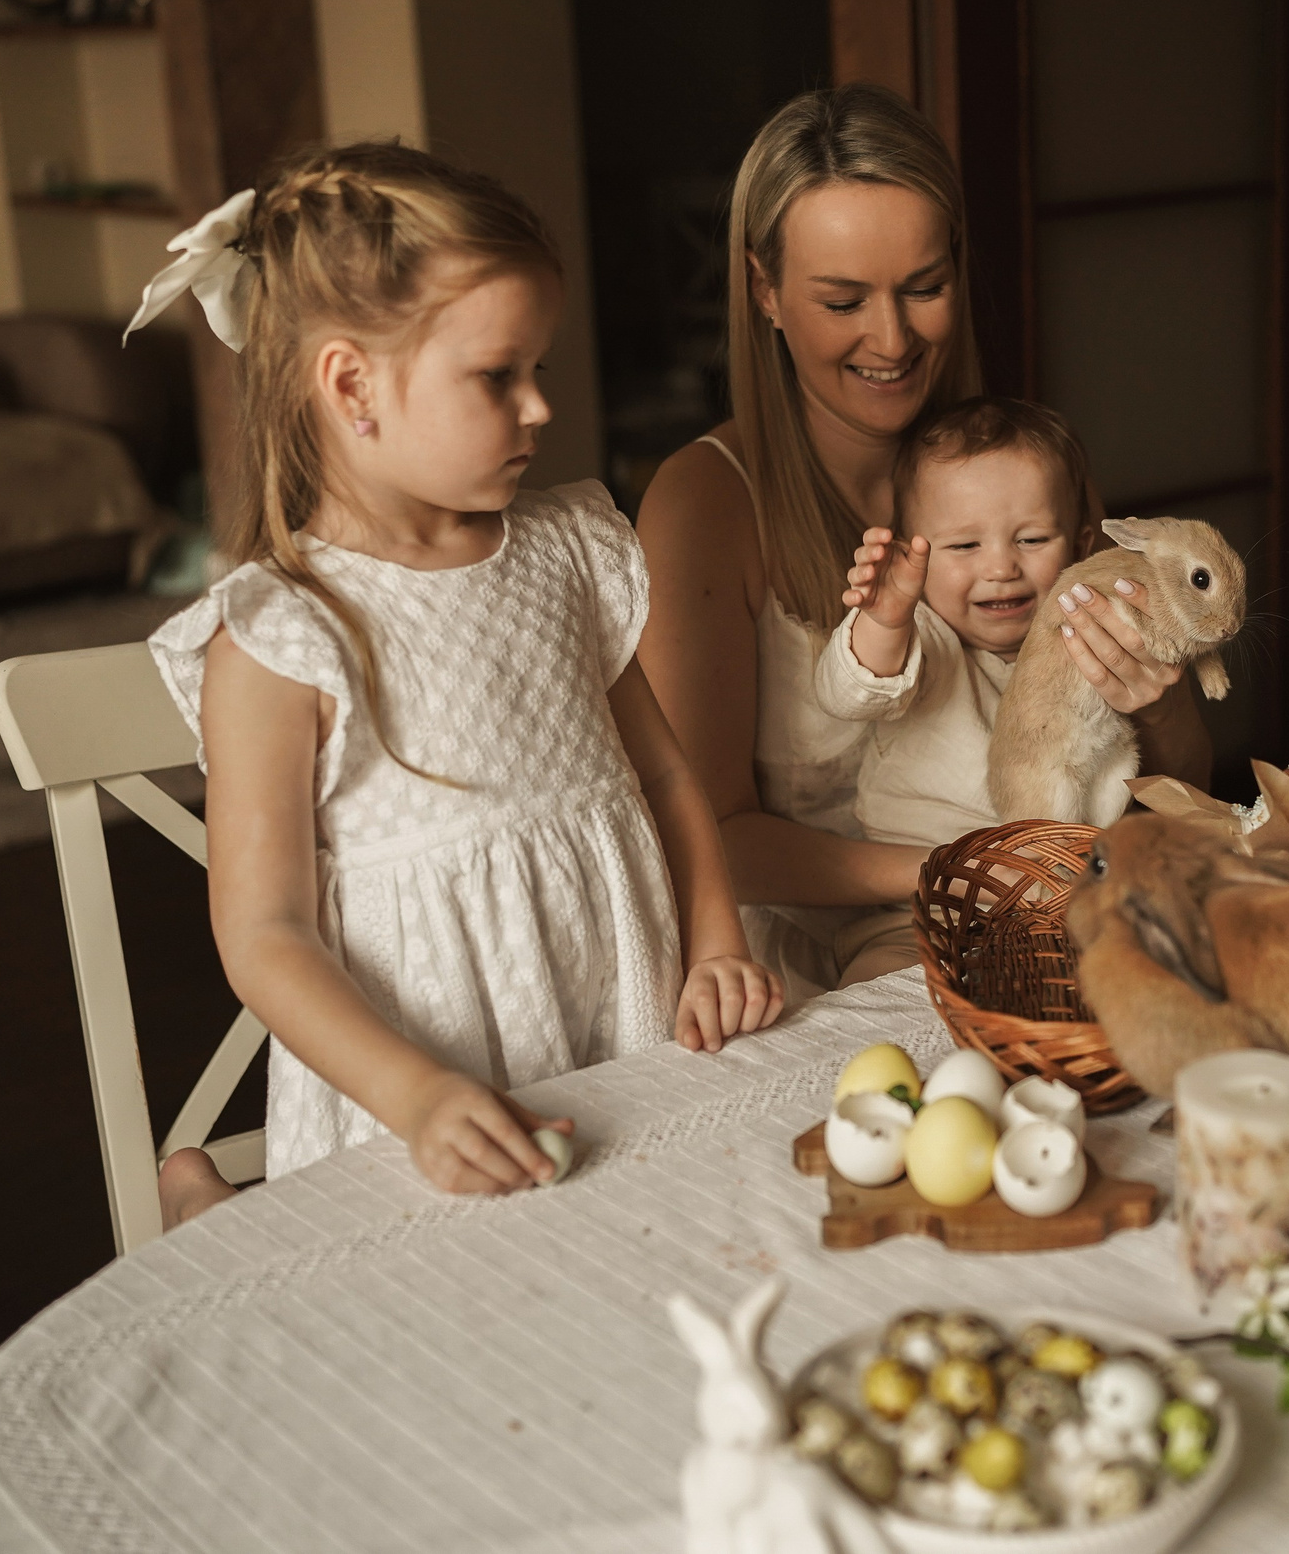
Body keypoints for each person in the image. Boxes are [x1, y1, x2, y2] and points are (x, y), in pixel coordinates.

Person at [140, 143, 781, 1228]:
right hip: (418, 1082)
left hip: (617, 1025)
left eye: (538, 368)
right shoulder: (280, 636)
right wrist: (416, 1093)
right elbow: (266, 938)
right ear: (352, 386)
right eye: (499, 376)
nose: (538, 407)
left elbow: (667, 777)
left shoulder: (567, 549)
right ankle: (208, 1206)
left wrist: (718, 942)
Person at [636, 83, 1212, 992]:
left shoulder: (1026, 475)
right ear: (765, 291)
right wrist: (986, 867)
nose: (893, 337)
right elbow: (701, 836)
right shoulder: (703, 504)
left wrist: (1163, 703)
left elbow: (1170, 773)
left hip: (1057, 898)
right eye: (843, 300)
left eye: (925, 287)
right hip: (814, 955)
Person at [813, 396, 1097, 983]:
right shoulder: (927, 638)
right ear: (913, 552)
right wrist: (885, 621)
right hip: (920, 914)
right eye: (965, 546)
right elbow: (850, 693)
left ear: (1083, 546)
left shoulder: (1086, 643)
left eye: (1034, 539)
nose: (1000, 567)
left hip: (1065, 912)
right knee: (876, 993)